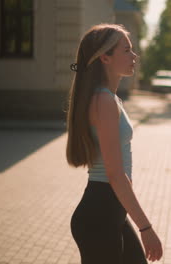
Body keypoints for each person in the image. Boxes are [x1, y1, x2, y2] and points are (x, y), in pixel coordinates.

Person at [65, 24, 163, 263]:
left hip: (110, 211)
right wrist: (146, 228)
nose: (134, 56)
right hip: (100, 214)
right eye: (127, 50)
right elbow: (115, 175)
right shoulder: (103, 101)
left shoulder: (109, 98)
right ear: (105, 57)